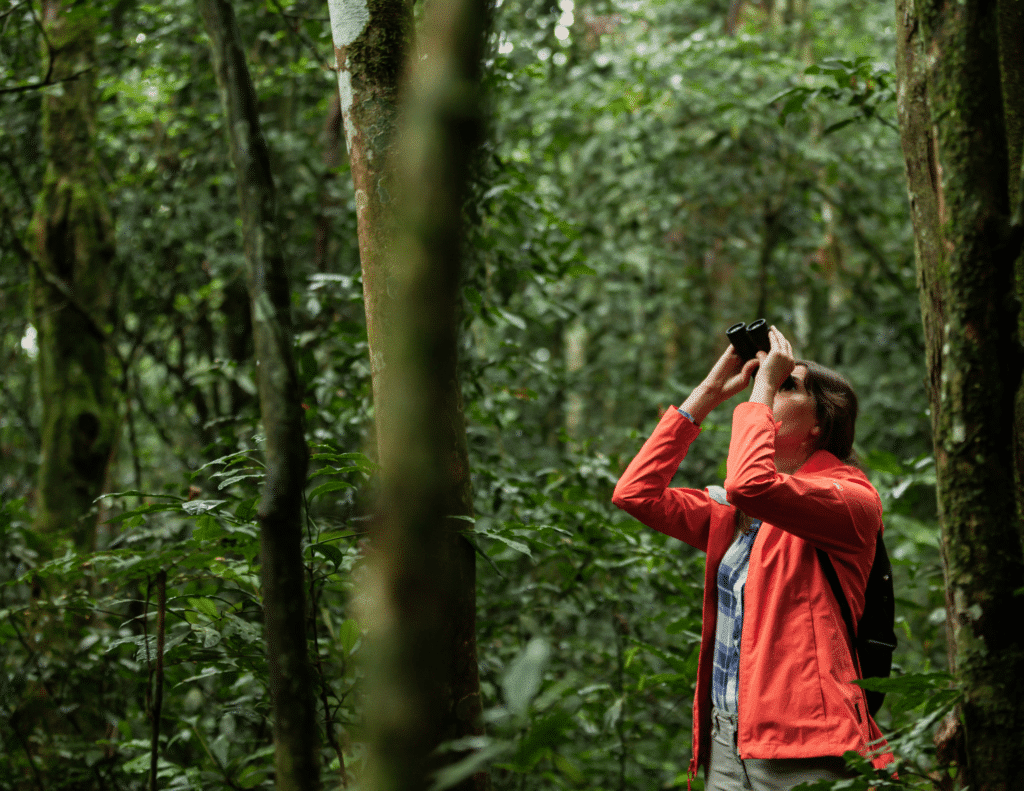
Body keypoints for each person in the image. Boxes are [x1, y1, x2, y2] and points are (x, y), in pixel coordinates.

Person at [612, 326, 893, 791]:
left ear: (821, 423)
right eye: (772, 381)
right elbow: (635, 494)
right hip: (729, 740)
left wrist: (760, 387)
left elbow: (749, 482)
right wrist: (707, 394)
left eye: (787, 384)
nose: (769, 383)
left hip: (805, 742)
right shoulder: (737, 514)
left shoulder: (849, 499)